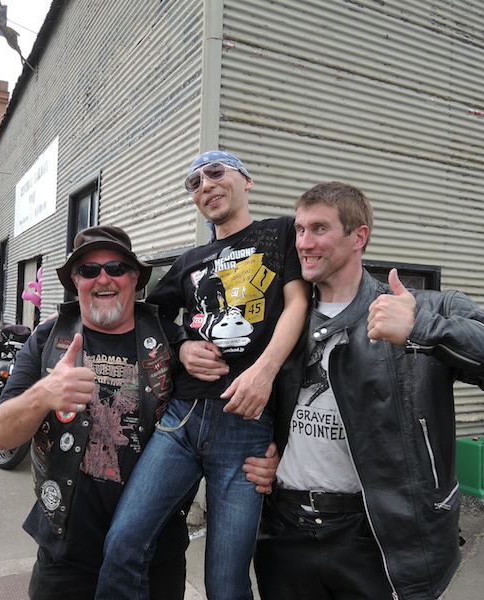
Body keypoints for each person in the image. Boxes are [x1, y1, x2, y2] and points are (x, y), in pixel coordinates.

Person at [252, 181, 484, 600]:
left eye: (319, 229)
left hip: (381, 538)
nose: (304, 243)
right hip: (285, 532)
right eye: (299, 229)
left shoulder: (428, 310)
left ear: (358, 237)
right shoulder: (282, 318)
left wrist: (424, 330)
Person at [0, 226, 278, 600]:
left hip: (153, 559)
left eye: (116, 267)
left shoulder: (176, 342)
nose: (103, 279)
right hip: (66, 557)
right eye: (89, 270)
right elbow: (1, 434)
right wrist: (43, 394)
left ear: (135, 278)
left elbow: (232, 404)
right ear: (75, 281)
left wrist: (266, 454)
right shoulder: (47, 339)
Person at [96, 151, 309, 600]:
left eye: (215, 172)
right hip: (180, 419)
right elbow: (150, 314)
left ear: (246, 181)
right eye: (194, 182)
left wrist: (264, 372)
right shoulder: (190, 260)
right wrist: (181, 347)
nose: (205, 185)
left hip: (245, 427)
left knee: (225, 586)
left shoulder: (281, 232)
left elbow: (298, 303)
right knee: (122, 545)